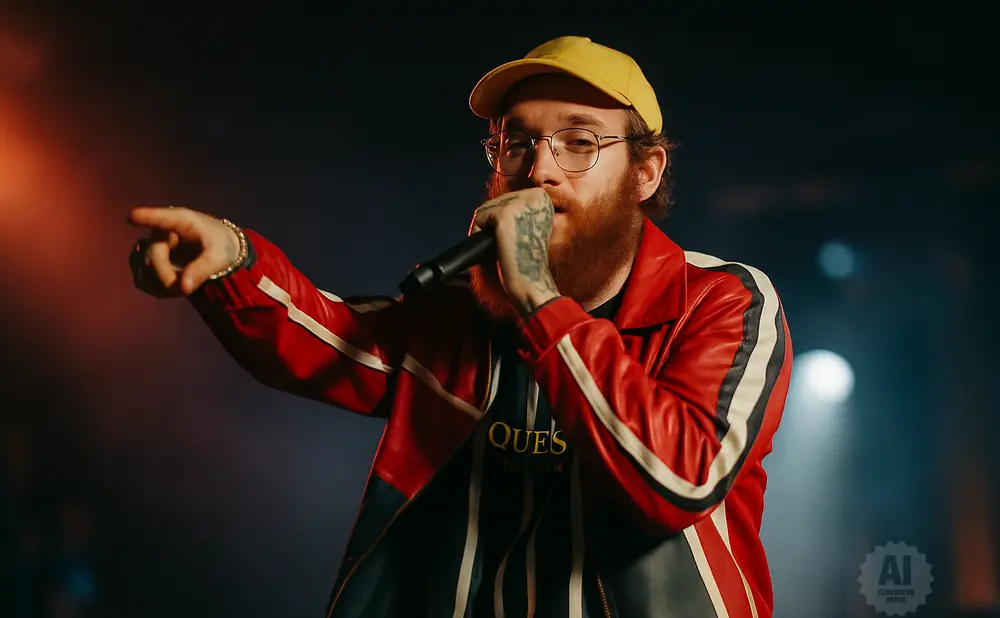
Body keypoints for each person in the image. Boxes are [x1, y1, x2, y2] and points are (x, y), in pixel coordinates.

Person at [128, 36, 792, 618]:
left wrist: (538, 298)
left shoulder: (722, 301)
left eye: (580, 143)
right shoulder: (462, 311)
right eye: (516, 143)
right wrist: (234, 262)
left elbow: (678, 480)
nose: (539, 170)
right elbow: (332, 341)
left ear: (645, 173)